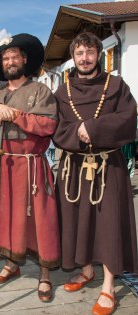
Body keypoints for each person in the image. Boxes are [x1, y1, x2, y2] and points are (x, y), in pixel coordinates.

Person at [53, 32, 138, 315]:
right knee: (79, 220)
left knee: (109, 224)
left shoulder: (115, 85)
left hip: (108, 166)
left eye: (90, 52)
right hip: (74, 168)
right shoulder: (62, 92)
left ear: (98, 54)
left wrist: (94, 129)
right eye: (79, 54)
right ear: (73, 58)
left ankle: (109, 286)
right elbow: (55, 126)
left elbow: (128, 117)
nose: (85, 58)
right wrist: (78, 132)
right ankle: (87, 270)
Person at [0, 33, 60, 302]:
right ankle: (12, 264)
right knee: (8, 217)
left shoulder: (40, 91)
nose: (10, 61)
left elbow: (48, 126)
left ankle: (45, 274)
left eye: (15, 56)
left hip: (31, 166)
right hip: (4, 164)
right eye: (6, 57)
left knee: (39, 220)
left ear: (24, 59)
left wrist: (16, 115)